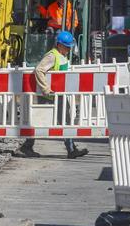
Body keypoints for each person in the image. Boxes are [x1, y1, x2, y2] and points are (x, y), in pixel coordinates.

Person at [17, 31, 88, 159]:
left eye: (69, 47)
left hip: (58, 94)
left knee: (65, 119)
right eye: (66, 47)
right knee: (41, 120)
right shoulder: (52, 56)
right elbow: (39, 70)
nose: (68, 49)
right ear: (59, 45)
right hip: (49, 95)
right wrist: (46, 89)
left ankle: (71, 149)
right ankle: (27, 146)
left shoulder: (62, 56)